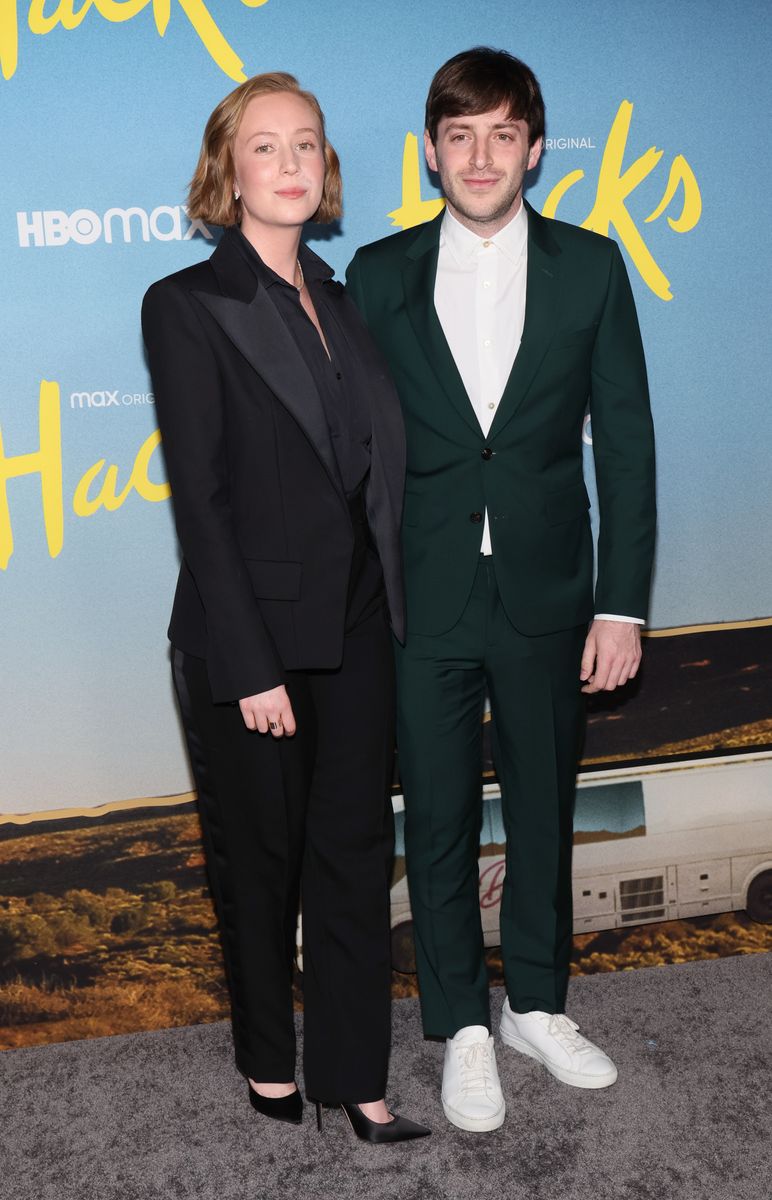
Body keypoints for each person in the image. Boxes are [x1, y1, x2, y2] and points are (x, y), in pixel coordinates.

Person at [346, 47, 656, 1132]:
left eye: (501, 134)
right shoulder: (377, 276)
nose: (480, 156)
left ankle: (533, 1002)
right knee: (432, 817)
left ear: (532, 148)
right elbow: (355, 451)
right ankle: (459, 1027)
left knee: (541, 807)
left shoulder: (592, 265)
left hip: (547, 591)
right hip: (420, 594)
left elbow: (623, 443)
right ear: (431, 151)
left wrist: (621, 601)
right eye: (458, 134)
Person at [142, 72, 429, 1145]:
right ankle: (269, 1061)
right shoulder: (186, 305)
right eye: (264, 147)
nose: (291, 163)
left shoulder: (345, 299)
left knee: (354, 857)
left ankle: (355, 1078)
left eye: (306, 144)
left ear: (327, 166)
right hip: (247, 642)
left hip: (358, 629)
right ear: (228, 172)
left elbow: (371, 477)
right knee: (258, 866)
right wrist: (251, 663)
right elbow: (201, 500)